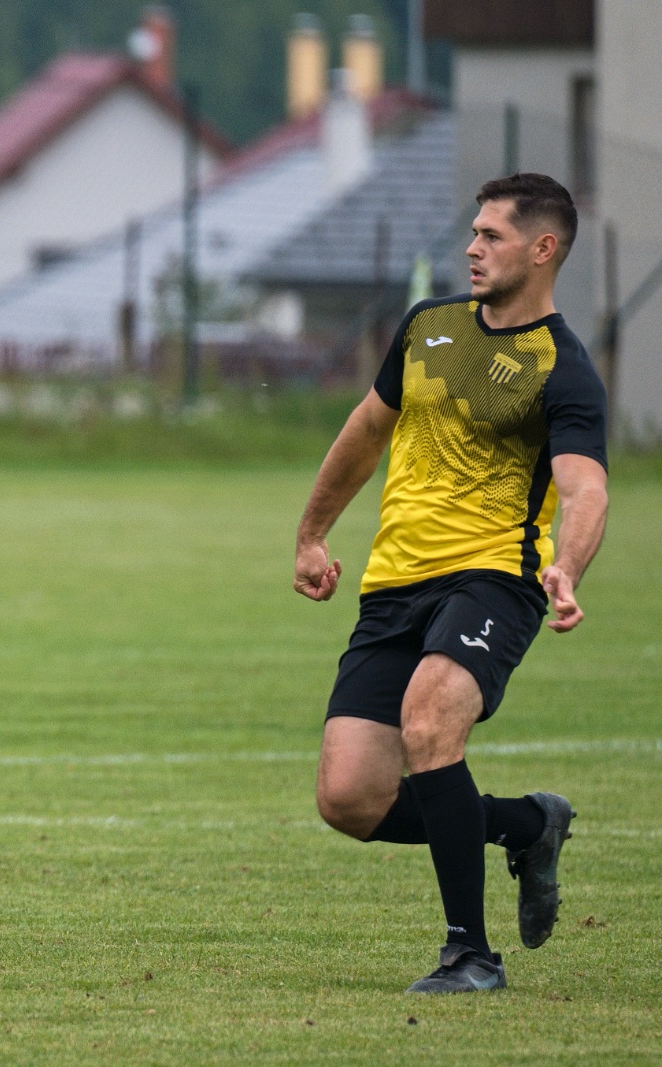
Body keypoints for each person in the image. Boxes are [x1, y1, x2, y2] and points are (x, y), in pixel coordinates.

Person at [294, 173, 609, 994]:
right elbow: (365, 432)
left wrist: (567, 566)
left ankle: (470, 954)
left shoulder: (561, 367)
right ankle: (527, 822)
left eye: (492, 236)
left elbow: (585, 488)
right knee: (350, 797)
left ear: (542, 250)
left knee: (432, 719)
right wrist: (313, 533)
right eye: (471, 232)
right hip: (393, 584)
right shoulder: (428, 328)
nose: (471, 248)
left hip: (492, 581)